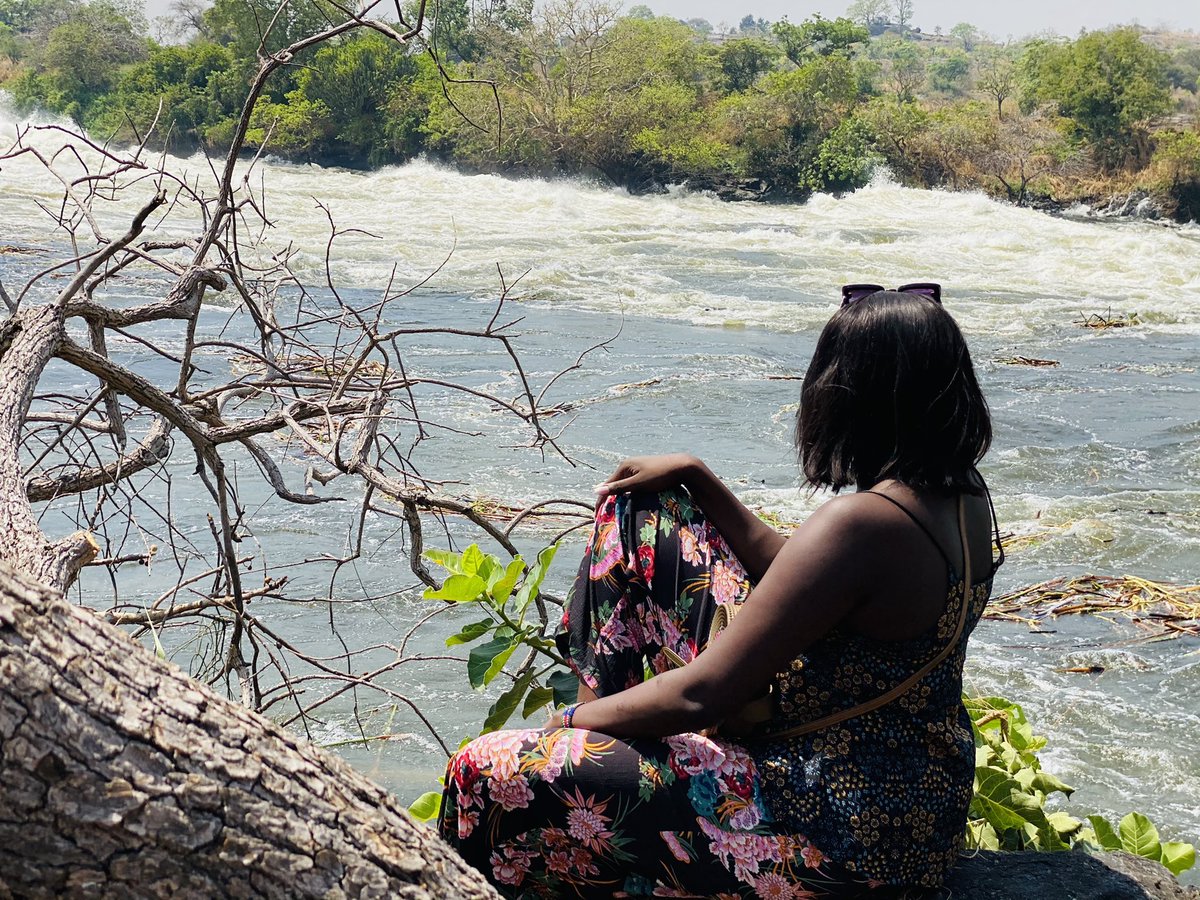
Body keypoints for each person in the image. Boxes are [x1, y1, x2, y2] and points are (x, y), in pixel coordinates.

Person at [438, 285, 1003, 899]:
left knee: (485, 770)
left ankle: (582, 780)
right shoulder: (961, 494)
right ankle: (608, 755)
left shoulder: (861, 524)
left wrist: (567, 722)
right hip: (917, 818)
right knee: (641, 513)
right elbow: (800, 569)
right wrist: (697, 478)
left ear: (856, 398)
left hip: (825, 835)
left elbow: (701, 697)